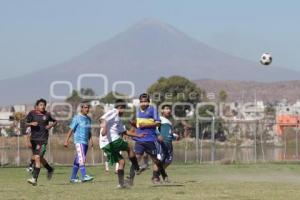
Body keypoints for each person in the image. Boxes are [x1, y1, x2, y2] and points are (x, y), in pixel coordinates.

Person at [99, 99, 143, 188]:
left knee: (121, 162)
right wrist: (104, 127)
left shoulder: (118, 119)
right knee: (129, 148)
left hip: (105, 145)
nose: (124, 111)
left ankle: (121, 184)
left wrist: (137, 135)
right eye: (124, 109)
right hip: (113, 141)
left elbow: (124, 132)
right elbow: (102, 118)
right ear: (120, 108)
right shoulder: (114, 111)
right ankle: (137, 168)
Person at [129, 93, 168, 184]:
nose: (144, 103)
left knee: (155, 160)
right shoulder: (137, 110)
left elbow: (158, 123)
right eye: (142, 102)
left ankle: (163, 174)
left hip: (150, 139)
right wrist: (133, 125)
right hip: (139, 140)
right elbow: (138, 125)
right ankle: (130, 180)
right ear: (139, 102)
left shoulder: (153, 110)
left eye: (146, 101)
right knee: (136, 158)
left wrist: (146, 125)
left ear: (149, 102)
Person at [25, 98, 57, 186]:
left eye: (44, 105)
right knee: (38, 158)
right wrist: (31, 124)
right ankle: (50, 169)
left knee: (38, 158)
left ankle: (34, 179)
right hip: (34, 140)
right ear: (37, 106)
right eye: (41, 105)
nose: (42, 107)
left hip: (43, 140)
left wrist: (50, 126)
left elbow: (55, 121)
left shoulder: (47, 114)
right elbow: (25, 123)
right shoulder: (32, 113)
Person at [64, 101, 94, 183]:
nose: (87, 109)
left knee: (78, 160)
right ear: (81, 108)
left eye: (88, 107)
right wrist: (66, 140)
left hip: (85, 142)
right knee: (82, 158)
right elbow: (71, 129)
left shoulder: (88, 119)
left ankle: (73, 178)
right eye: (85, 107)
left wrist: (91, 140)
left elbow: (89, 131)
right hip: (79, 141)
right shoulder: (77, 118)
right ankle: (84, 176)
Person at [157, 104, 179, 182]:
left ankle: (159, 174)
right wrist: (158, 135)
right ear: (162, 111)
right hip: (163, 143)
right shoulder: (160, 118)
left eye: (169, 109)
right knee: (160, 160)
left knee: (168, 161)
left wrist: (174, 136)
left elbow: (169, 133)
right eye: (166, 109)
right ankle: (157, 176)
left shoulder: (169, 122)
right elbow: (155, 128)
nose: (168, 110)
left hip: (169, 143)